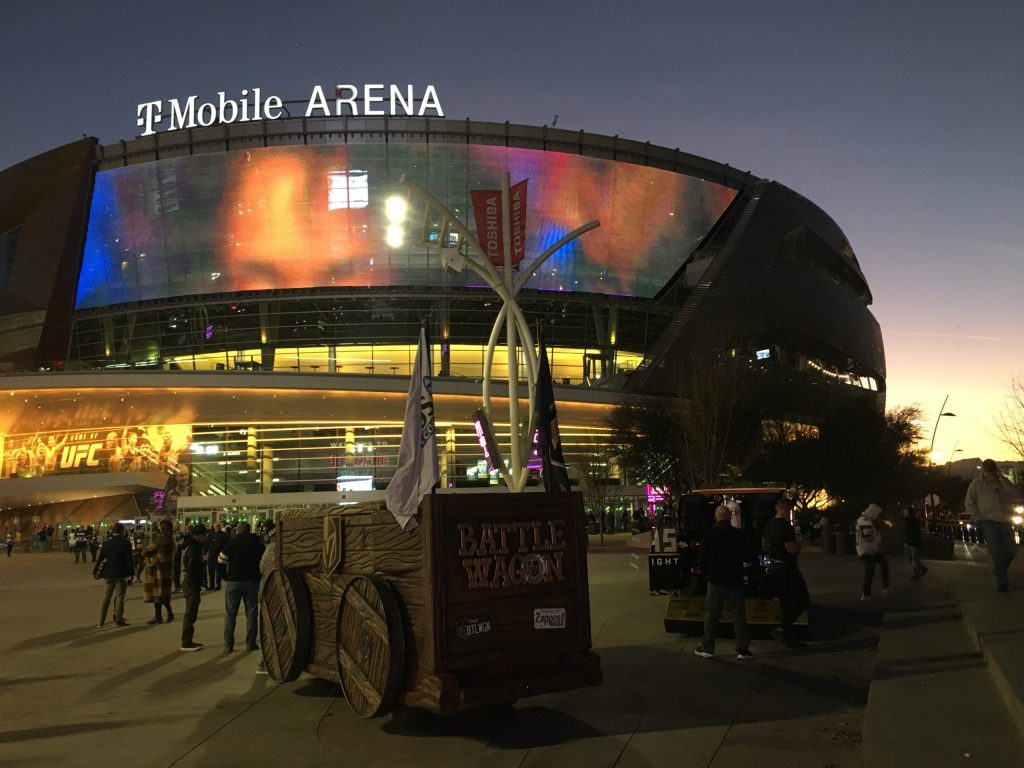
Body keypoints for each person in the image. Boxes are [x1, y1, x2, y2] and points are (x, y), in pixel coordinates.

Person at [693, 505, 754, 660]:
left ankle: (707, 648)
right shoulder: (738, 534)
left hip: (716, 581)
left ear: (716, 517)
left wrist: (708, 576)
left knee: (712, 615)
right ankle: (743, 649)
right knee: (739, 615)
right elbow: (748, 556)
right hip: (735, 580)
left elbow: (702, 560)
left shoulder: (709, 535)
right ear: (730, 517)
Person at [965, 459, 1022, 591]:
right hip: (988, 521)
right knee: (996, 552)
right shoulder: (977, 485)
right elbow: (969, 502)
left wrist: (1002, 480)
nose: (991, 473)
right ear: (984, 471)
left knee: (1011, 551)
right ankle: (1003, 581)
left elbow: (1017, 494)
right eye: (989, 470)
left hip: (1005, 520)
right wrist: (979, 516)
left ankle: (999, 569)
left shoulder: (1003, 482)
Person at [765, 495, 809, 648]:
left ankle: (786, 632)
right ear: (783, 509)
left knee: (786, 602)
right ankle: (784, 629)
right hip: (787, 567)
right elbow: (791, 548)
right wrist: (800, 545)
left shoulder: (770, 524)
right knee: (802, 599)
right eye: (789, 510)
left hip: (777, 565)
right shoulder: (784, 526)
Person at [218, 522, 265, 653]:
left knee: (230, 614)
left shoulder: (232, 542)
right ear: (249, 530)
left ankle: (229, 645)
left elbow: (221, 560)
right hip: (251, 582)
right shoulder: (257, 543)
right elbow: (265, 561)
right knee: (251, 613)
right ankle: (250, 643)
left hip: (234, 582)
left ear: (238, 531)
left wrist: (225, 576)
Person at [95, 523, 134, 627]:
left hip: (108, 573)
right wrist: (131, 573)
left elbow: (100, 558)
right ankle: (119, 619)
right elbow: (129, 560)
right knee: (120, 596)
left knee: (106, 598)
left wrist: (96, 572)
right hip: (121, 573)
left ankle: (101, 621)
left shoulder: (106, 543)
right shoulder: (125, 543)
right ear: (122, 531)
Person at [180, 523, 208, 651]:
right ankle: (186, 642)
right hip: (191, 583)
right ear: (199, 536)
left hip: (192, 583)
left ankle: (188, 640)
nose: (206, 537)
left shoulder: (194, 546)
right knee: (190, 612)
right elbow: (192, 568)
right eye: (204, 535)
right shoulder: (193, 548)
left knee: (192, 612)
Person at [142, 520, 175, 624]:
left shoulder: (160, 538)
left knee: (157, 594)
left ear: (162, 527)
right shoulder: (171, 539)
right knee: (164, 594)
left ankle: (158, 617)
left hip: (158, 569)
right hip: (167, 569)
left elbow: (145, 551)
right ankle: (169, 614)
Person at [855, 503, 890, 600]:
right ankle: (866, 593)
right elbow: (869, 538)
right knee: (871, 571)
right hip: (868, 550)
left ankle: (871, 592)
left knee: (878, 567)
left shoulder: (862, 520)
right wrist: (880, 537)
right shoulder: (866, 522)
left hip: (867, 550)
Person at [256, 521, 276, 675]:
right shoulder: (276, 549)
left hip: (267, 591)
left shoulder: (271, 549)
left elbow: (262, 567)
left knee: (267, 625)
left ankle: (266, 660)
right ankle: (266, 661)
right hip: (273, 591)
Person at [902, 504, 927, 580]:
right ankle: (921, 569)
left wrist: (909, 541)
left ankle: (917, 574)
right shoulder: (907, 520)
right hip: (909, 542)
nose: (904, 513)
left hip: (914, 543)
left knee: (914, 560)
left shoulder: (912, 520)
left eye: (905, 512)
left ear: (909, 512)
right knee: (911, 559)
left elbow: (912, 532)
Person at [206, 522, 228, 591]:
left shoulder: (223, 535)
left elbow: (226, 544)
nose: (216, 527)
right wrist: (204, 551)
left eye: (217, 526)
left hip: (219, 555)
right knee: (210, 571)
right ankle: (212, 585)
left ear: (220, 526)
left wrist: (224, 553)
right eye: (215, 526)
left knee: (219, 571)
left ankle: (218, 585)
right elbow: (207, 543)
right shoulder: (211, 534)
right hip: (211, 555)